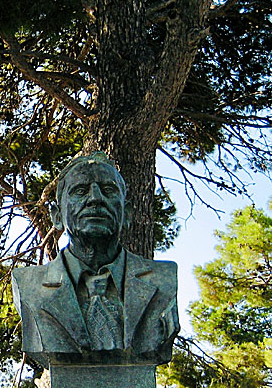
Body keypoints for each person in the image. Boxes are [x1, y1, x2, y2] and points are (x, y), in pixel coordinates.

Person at [11, 152, 179, 373]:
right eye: (80, 191)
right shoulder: (29, 286)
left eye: (108, 190)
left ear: (126, 213)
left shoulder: (163, 280)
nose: (95, 198)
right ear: (57, 216)